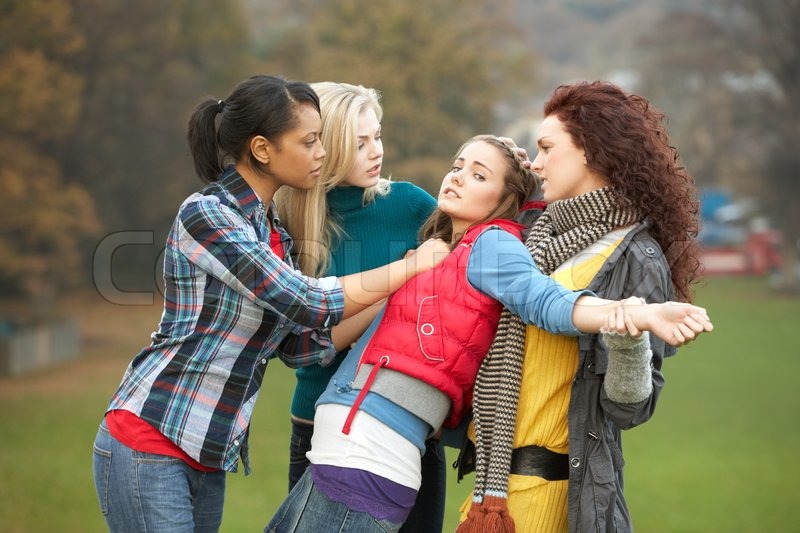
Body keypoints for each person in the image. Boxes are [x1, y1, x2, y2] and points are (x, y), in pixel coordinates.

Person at [265, 135, 712, 533]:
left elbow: (545, 302)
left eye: (479, 175)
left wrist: (635, 314)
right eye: (458, 165)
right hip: (349, 437)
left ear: (504, 197)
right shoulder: (439, 251)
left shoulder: (493, 243)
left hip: (372, 446)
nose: (457, 177)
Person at [90, 74, 450, 532]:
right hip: (150, 438)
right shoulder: (209, 215)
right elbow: (305, 302)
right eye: (310, 141)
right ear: (262, 150)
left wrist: (396, 295)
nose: (322, 152)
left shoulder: (272, 231)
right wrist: (410, 268)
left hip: (206, 453)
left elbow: (299, 345)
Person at [457, 81, 704, 533]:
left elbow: (630, 409)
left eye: (548, 147)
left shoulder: (635, 256)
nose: (537, 162)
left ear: (588, 151)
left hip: (557, 496)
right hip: (489, 493)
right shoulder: (529, 229)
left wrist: (627, 340)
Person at [273, 82, 446, 531]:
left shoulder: (409, 205)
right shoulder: (286, 221)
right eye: (360, 143)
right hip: (318, 423)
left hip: (405, 420)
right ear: (323, 148)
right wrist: (400, 282)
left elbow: (480, 253)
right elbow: (308, 346)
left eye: (378, 136)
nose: (377, 152)